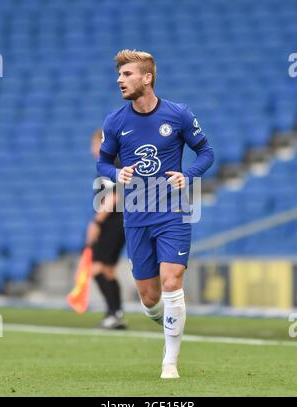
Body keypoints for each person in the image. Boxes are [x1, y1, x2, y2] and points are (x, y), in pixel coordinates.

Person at [97, 50, 214, 378]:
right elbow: (103, 161)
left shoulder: (178, 114)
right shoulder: (115, 121)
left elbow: (206, 151)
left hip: (172, 211)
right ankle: (165, 320)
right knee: (149, 298)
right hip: (135, 215)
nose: (120, 80)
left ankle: (170, 362)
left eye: (127, 74)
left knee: (171, 279)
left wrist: (188, 176)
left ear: (146, 78)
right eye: (119, 75)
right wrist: (114, 174)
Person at [86, 129, 126, 330]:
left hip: (113, 222)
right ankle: (115, 314)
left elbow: (113, 197)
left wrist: (97, 222)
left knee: (98, 268)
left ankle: (114, 313)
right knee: (108, 270)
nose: (92, 150)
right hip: (120, 222)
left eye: (94, 145)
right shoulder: (115, 164)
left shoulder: (110, 166)